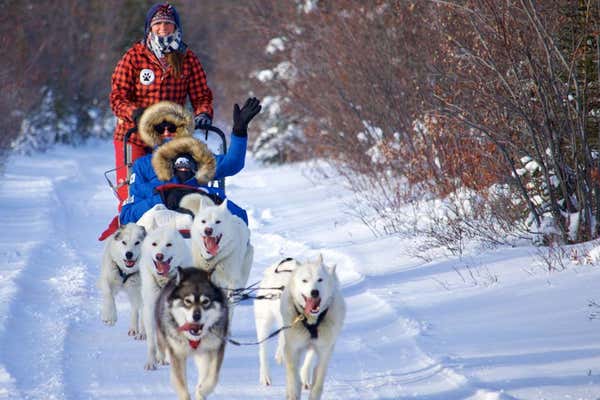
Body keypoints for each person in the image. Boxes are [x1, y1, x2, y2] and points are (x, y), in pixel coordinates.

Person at [110, 3, 213, 207]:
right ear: (150, 28)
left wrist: (203, 114)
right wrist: (135, 113)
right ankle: (130, 228)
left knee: (170, 191)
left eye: (168, 23)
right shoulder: (134, 57)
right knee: (133, 191)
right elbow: (117, 96)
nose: (163, 28)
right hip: (134, 135)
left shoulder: (187, 58)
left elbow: (202, 96)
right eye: (158, 24)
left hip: (171, 137)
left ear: (176, 28)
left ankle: (170, 232)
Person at [119, 97, 261, 227]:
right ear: (153, 133)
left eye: (173, 127)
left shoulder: (199, 157)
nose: (167, 132)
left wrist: (239, 131)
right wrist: (164, 198)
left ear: (183, 129)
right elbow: (128, 216)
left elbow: (232, 163)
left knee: (238, 221)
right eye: (160, 129)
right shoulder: (143, 165)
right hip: (159, 224)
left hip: (199, 216)